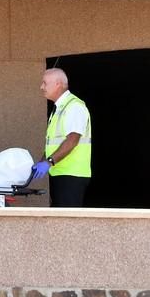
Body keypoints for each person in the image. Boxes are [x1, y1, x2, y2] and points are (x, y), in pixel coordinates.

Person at [30, 68, 92, 207]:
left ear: (58, 84)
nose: (41, 87)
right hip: (61, 172)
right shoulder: (59, 108)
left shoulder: (74, 106)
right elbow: (55, 143)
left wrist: (49, 162)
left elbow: (72, 140)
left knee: (67, 222)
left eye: (45, 83)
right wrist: (42, 161)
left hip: (72, 174)